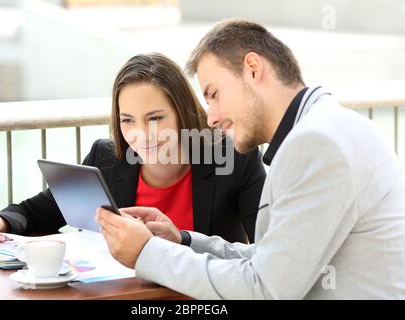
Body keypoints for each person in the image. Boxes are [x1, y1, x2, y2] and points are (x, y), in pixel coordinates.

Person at [95, 19, 405, 299]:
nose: (212, 118)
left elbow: (265, 289)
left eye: (214, 94)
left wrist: (147, 252)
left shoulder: (316, 144)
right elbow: (269, 261)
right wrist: (183, 241)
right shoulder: (325, 128)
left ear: (253, 69)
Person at [0, 52, 266, 245]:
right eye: (128, 120)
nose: (140, 135)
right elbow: (39, 212)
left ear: (184, 113)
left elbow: (266, 250)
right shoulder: (106, 158)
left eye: (155, 118)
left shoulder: (233, 158)